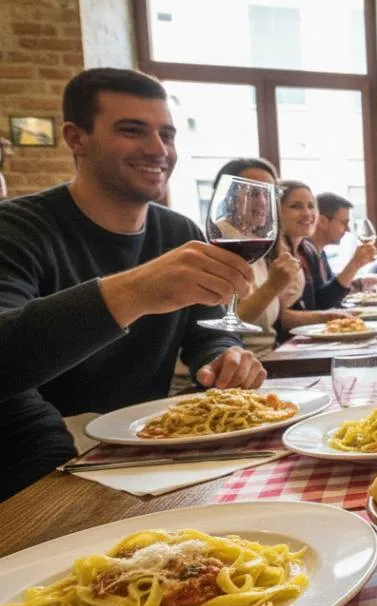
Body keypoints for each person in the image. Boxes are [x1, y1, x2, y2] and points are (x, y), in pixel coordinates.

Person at [0, 68, 266, 499]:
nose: (157, 149)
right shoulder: (18, 229)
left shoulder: (179, 231)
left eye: (167, 134)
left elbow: (208, 335)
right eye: (132, 131)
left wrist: (225, 358)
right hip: (44, 468)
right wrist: (134, 291)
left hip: (156, 452)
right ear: (76, 138)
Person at [208, 158, 303, 354]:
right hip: (228, 369)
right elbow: (226, 324)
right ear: (227, 196)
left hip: (267, 358)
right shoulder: (216, 247)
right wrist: (273, 286)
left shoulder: (257, 248)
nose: (262, 201)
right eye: (252, 193)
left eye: (269, 193)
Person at [276, 182, 375, 329]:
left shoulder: (308, 251)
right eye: (295, 206)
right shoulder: (274, 255)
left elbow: (319, 301)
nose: (307, 213)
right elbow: (319, 304)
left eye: (311, 206)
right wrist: (354, 264)